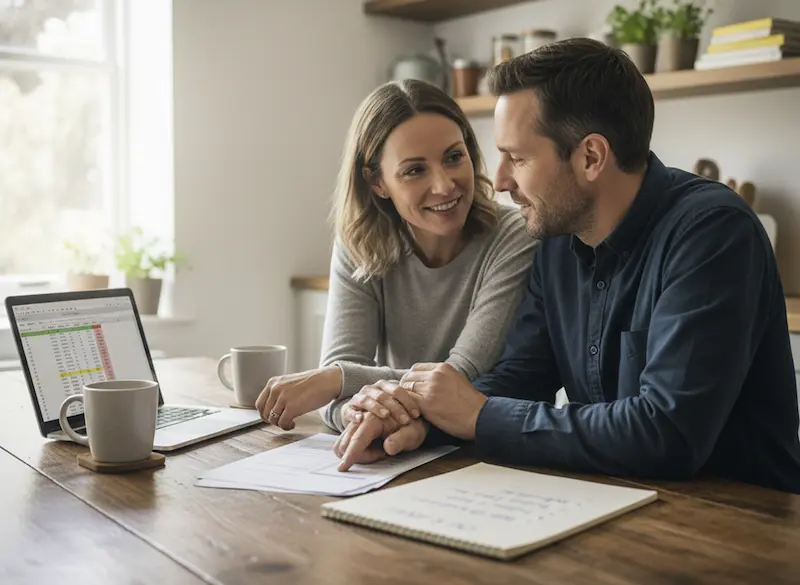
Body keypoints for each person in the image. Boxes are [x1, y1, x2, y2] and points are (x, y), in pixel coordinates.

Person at [335, 38, 800, 494]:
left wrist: (476, 416)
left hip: (740, 523)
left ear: (591, 157)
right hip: (617, 503)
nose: (497, 182)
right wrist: (414, 422)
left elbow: (668, 433)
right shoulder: (557, 238)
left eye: (516, 157)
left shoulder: (712, 232)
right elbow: (520, 377)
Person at [254, 79, 536, 442]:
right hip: (402, 445)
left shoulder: (513, 235)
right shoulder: (359, 242)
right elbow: (332, 398)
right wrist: (358, 413)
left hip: (482, 450)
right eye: (415, 170)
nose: (445, 185)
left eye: (454, 157)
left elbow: (460, 376)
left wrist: (339, 379)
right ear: (377, 183)